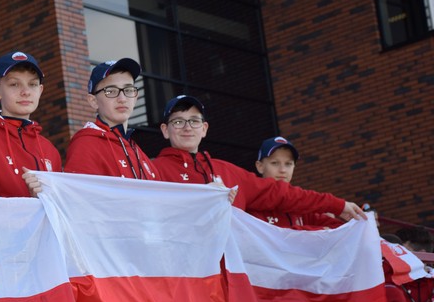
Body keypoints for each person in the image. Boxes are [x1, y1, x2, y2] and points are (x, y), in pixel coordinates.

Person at [152, 95, 365, 224]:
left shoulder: (229, 172)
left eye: (194, 121)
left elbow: (281, 194)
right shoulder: (152, 170)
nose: (188, 127)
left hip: (232, 284)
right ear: (165, 130)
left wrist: (338, 205)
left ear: (205, 129)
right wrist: (202, 200)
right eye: (178, 121)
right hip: (184, 280)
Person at [0, 51, 62, 197]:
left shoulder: (50, 150)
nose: (25, 92)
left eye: (33, 84)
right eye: (14, 84)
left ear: (40, 90)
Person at [63, 58, 159, 180]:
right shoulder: (85, 145)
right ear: (93, 101)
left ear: (135, 98)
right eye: (111, 91)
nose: (122, 98)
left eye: (128, 90)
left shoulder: (139, 153)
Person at [249, 136, 343, 229]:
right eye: (275, 163)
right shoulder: (251, 203)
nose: (283, 170)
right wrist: (320, 231)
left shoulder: (302, 205)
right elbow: (279, 240)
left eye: (288, 164)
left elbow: (340, 229)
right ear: (260, 166)